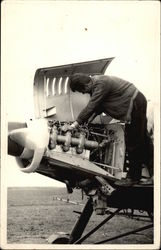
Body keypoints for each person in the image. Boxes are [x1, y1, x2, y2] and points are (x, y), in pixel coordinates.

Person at [61, 73, 153, 186]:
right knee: (144, 141)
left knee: (133, 142)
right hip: (137, 102)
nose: (84, 93)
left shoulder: (101, 83)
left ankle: (133, 178)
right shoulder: (96, 84)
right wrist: (87, 122)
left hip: (135, 104)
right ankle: (154, 175)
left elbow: (92, 105)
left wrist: (74, 125)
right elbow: (98, 108)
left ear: (85, 85)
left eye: (82, 91)